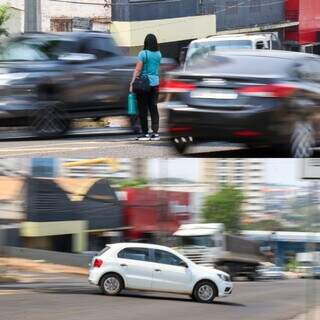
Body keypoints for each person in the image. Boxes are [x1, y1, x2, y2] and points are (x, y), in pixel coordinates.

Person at [130, 34, 162, 141]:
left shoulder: (142, 54)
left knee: (143, 109)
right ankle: (155, 133)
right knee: (153, 108)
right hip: (155, 84)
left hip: (144, 84)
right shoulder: (158, 54)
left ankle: (145, 133)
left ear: (145, 42)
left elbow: (138, 69)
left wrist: (132, 82)